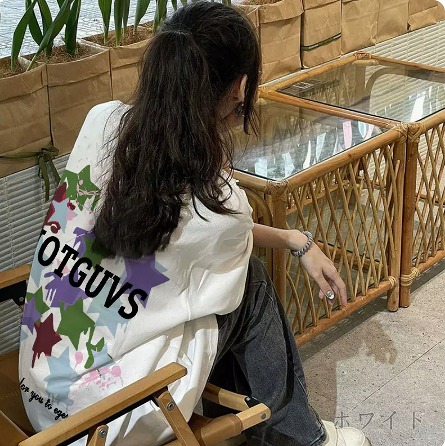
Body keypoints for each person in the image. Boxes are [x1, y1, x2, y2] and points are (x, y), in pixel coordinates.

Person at [18, 2, 370, 445]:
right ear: (240, 88)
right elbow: (223, 230)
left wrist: (294, 239)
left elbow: (188, 230)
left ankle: (260, 430)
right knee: (250, 284)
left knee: (214, 280)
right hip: (107, 422)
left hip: (41, 392)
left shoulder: (101, 121)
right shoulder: (215, 202)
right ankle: (302, 439)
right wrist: (297, 241)